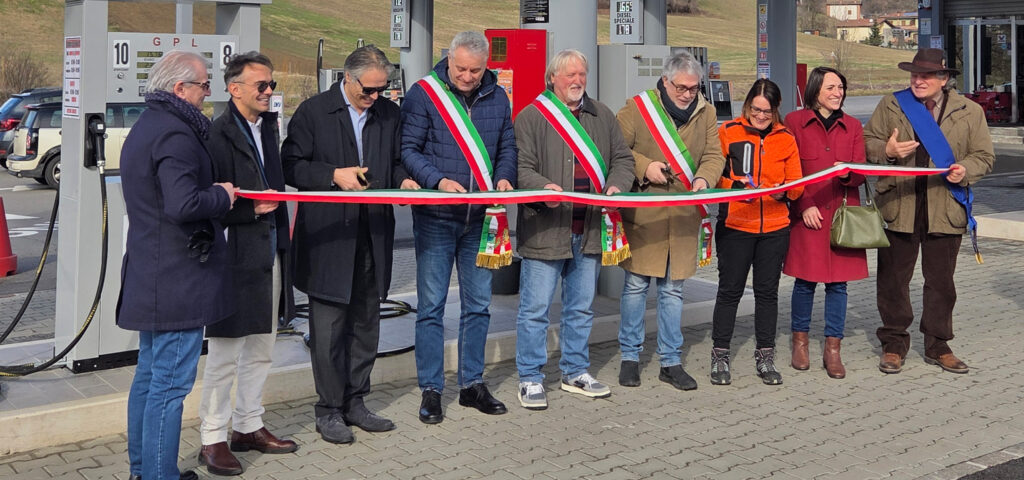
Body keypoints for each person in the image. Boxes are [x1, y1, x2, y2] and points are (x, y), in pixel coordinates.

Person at [282, 45, 416, 444]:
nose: (375, 96)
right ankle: (328, 410)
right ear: (348, 78)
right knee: (328, 330)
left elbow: (395, 161)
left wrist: (403, 180)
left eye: (382, 89)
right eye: (368, 90)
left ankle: (356, 402)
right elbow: (290, 165)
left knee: (366, 324)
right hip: (329, 239)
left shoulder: (389, 114)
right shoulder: (314, 112)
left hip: (373, 234)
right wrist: (332, 175)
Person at [118, 50, 238, 480]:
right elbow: (183, 203)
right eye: (204, 85)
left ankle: (145, 469)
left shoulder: (148, 124)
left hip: (153, 273)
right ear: (179, 88)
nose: (208, 92)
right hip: (178, 279)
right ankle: (158, 474)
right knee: (169, 387)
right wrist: (223, 194)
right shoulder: (176, 133)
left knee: (150, 378)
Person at [401, 31, 516, 424]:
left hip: (481, 218)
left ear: (486, 67)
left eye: (475, 71)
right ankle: (431, 389)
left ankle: (472, 384)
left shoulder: (498, 97)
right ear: (448, 59)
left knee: (479, 306)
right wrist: (436, 181)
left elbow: (507, 147)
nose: (467, 77)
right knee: (431, 307)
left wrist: (504, 176)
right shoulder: (424, 94)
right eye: (461, 69)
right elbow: (408, 149)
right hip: (437, 217)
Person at [513, 49, 635, 410]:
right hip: (546, 229)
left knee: (581, 309)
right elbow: (520, 167)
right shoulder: (532, 117)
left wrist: (617, 185)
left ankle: (575, 371)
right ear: (553, 78)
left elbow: (623, 159)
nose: (577, 81)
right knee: (535, 310)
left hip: (590, 229)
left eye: (582, 74)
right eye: (570, 75)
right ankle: (530, 377)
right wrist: (543, 187)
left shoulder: (602, 115)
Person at [863, 48, 994, 375]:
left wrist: (965, 170)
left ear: (944, 78)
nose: (918, 81)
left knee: (941, 283)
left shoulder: (970, 111)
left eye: (926, 75)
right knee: (893, 280)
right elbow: (867, 142)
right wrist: (887, 150)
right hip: (898, 204)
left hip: (945, 206)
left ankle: (938, 345)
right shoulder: (892, 104)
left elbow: (983, 155)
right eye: (914, 75)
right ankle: (893, 344)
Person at [198, 52, 297, 475]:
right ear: (233, 88)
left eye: (272, 84)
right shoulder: (216, 134)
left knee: (262, 348)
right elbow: (204, 199)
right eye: (261, 85)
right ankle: (212, 437)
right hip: (234, 256)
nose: (269, 91)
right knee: (225, 354)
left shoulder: (268, 127)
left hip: (269, 252)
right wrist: (248, 210)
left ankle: (248, 426)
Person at [614, 51, 725, 391]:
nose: (688, 94)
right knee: (636, 287)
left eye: (694, 88)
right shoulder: (637, 108)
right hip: (646, 214)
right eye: (681, 88)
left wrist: (704, 179)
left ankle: (670, 361)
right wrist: (644, 166)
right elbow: (617, 149)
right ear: (665, 81)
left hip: (682, 216)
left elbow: (714, 155)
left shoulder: (707, 112)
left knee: (673, 290)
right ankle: (629, 357)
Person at [711, 78, 803, 387]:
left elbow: (797, 184)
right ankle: (720, 355)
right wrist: (735, 187)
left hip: (774, 228)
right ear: (747, 105)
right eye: (755, 109)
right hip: (736, 226)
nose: (760, 116)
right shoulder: (728, 132)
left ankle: (765, 357)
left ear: (776, 110)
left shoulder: (786, 138)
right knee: (729, 291)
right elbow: (714, 177)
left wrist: (783, 192)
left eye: (767, 111)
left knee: (767, 293)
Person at [782, 67, 868, 380]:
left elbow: (861, 172)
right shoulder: (794, 121)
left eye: (841, 87)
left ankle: (833, 348)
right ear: (815, 90)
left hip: (842, 217)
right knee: (805, 283)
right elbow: (788, 169)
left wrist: (847, 174)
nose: (837, 93)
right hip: (809, 215)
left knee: (838, 285)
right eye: (831, 87)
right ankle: (800, 342)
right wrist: (803, 204)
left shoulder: (853, 125)